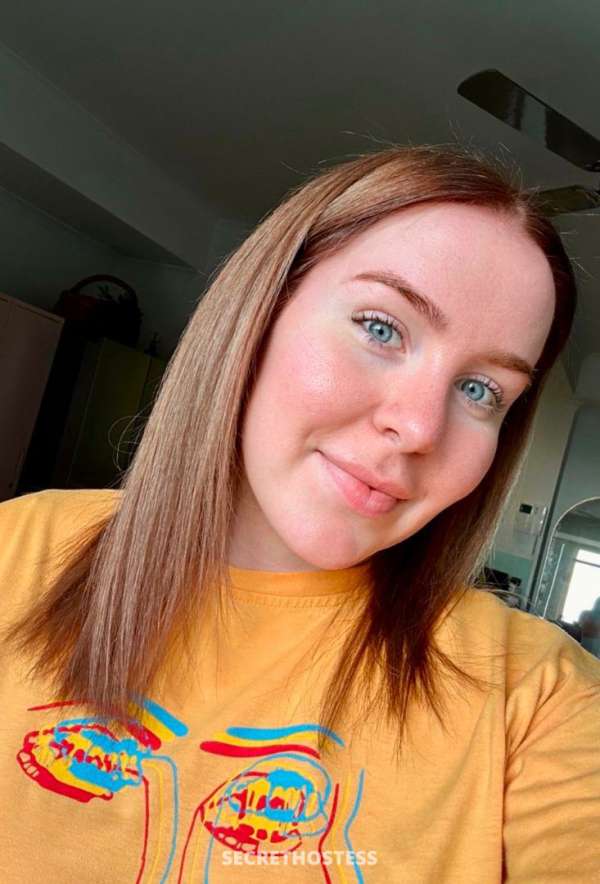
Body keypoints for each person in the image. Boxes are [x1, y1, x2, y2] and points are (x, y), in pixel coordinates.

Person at [1, 143, 599, 883]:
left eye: (482, 391)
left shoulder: (535, 695)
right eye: (381, 328)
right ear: (257, 316)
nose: (419, 428)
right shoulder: (21, 547)